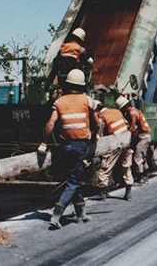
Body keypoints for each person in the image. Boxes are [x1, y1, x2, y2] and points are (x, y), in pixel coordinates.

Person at [42, 69, 100, 230]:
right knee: (74, 180)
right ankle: (56, 214)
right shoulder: (87, 100)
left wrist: (44, 143)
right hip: (80, 144)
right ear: (82, 85)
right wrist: (96, 135)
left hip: (65, 145)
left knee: (76, 175)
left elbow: (51, 124)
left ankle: (81, 213)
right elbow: (98, 123)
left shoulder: (59, 101)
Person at [95, 101, 133, 201]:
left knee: (106, 167)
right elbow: (126, 124)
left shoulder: (102, 118)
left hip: (115, 142)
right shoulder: (116, 111)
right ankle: (128, 193)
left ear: (97, 110)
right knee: (126, 166)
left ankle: (102, 192)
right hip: (126, 139)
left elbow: (100, 136)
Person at [116, 96, 151, 184]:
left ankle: (141, 177)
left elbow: (132, 126)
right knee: (142, 156)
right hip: (143, 135)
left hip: (143, 136)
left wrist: (126, 135)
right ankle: (145, 175)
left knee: (137, 157)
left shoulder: (132, 112)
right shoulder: (134, 110)